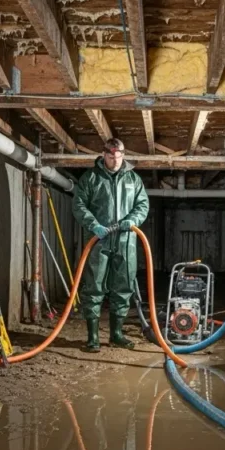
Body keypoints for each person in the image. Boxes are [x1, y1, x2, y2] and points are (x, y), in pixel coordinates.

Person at [72, 138, 149, 352]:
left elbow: (142, 205)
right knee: (93, 286)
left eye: (118, 156)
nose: (115, 160)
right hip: (98, 240)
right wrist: (93, 224)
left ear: (123, 155)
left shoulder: (133, 179)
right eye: (111, 156)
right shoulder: (91, 178)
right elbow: (79, 204)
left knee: (123, 286)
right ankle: (93, 337)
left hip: (126, 241)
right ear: (104, 154)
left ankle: (116, 334)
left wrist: (133, 219)